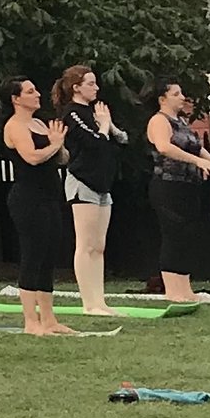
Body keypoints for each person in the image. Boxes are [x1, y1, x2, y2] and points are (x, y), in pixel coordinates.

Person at [148, 80, 210, 301]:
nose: (182, 97)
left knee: (187, 236)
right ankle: (172, 290)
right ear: (162, 99)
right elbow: (164, 147)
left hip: (187, 186)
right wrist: (197, 162)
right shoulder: (159, 121)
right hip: (167, 185)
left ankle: (185, 289)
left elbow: (197, 146)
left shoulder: (182, 122)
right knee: (173, 236)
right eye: (176, 93)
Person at [0, 74, 71, 336]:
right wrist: (54, 146)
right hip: (28, 199)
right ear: (16, 99)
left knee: (49, 255)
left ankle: (49, 319)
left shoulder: (40, 123)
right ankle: (31, 320)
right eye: (30, 91)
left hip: (50, 196)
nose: (37, 94)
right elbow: (31, 157)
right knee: (32, 255)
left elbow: (61, 158)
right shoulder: (15, 126)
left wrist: (59, 146)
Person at [56, 64, 127, 320]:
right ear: (76, 87)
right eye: (90, 83)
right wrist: (104, 126)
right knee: (85, 244)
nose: (96, 88)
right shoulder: (72, 113)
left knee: (99, 245)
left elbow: (121, 140)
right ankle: (88, 302)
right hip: (82, 181)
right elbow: (95, 143)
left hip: (102, 184)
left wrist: (109, 127)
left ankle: (100, 301)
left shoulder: (95, 113)